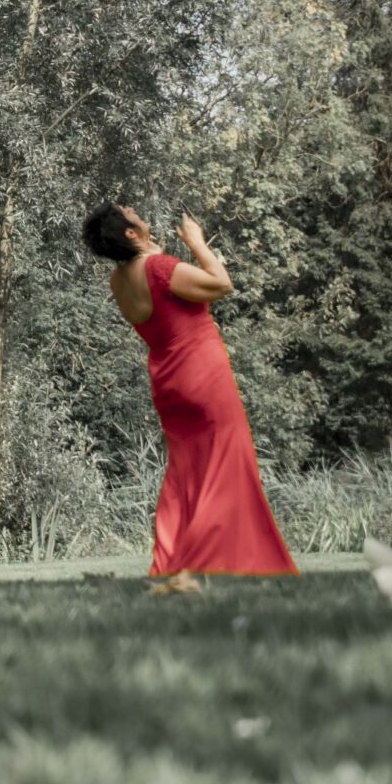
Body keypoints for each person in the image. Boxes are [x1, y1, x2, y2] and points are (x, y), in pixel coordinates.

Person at [84, 204, 297, 578]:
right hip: (201, 374)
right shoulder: (160, 269)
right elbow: (221, 284)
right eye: (127, 212)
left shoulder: (119, 281)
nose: (134, 210)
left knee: (187, 470)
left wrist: (157, 249)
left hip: (168, 382)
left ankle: (176, 560)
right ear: (130, 233)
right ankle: (222, 560)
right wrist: (197, 242)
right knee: (227, 463)